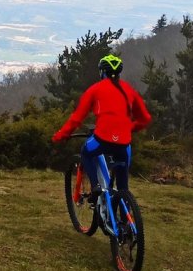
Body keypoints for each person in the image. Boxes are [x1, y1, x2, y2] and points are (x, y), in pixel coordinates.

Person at [52, 54, 152, 201]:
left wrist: (61, 134)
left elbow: (77, 118)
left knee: (86, 153)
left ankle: (95, 187)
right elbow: (145, 119)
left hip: (102, 139)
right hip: (123, 144)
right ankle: (125, 219)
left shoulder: (95, 89)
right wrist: (129, 128)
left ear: (102, 72)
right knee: (123, 188)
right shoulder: (129, 90)